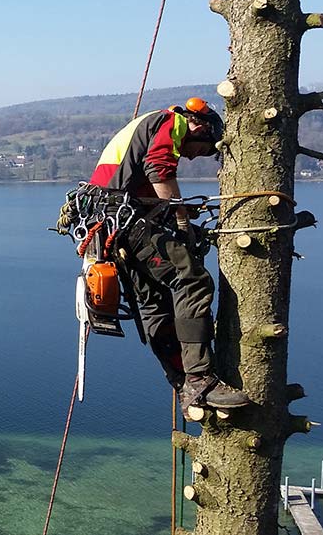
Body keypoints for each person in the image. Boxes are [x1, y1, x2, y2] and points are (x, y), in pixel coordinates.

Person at [88, 97, 250, 414]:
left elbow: (144, 184)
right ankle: (199, 379)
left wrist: (178, 213)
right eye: (202, 149)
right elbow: (159, 170)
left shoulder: (147, 127)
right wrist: (181, 221)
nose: (193, 156)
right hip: (123, 219)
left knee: (156, 304)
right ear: (199, 127)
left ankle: (183, 382)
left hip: (111, 225)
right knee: (192, 280)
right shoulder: (171, 122)